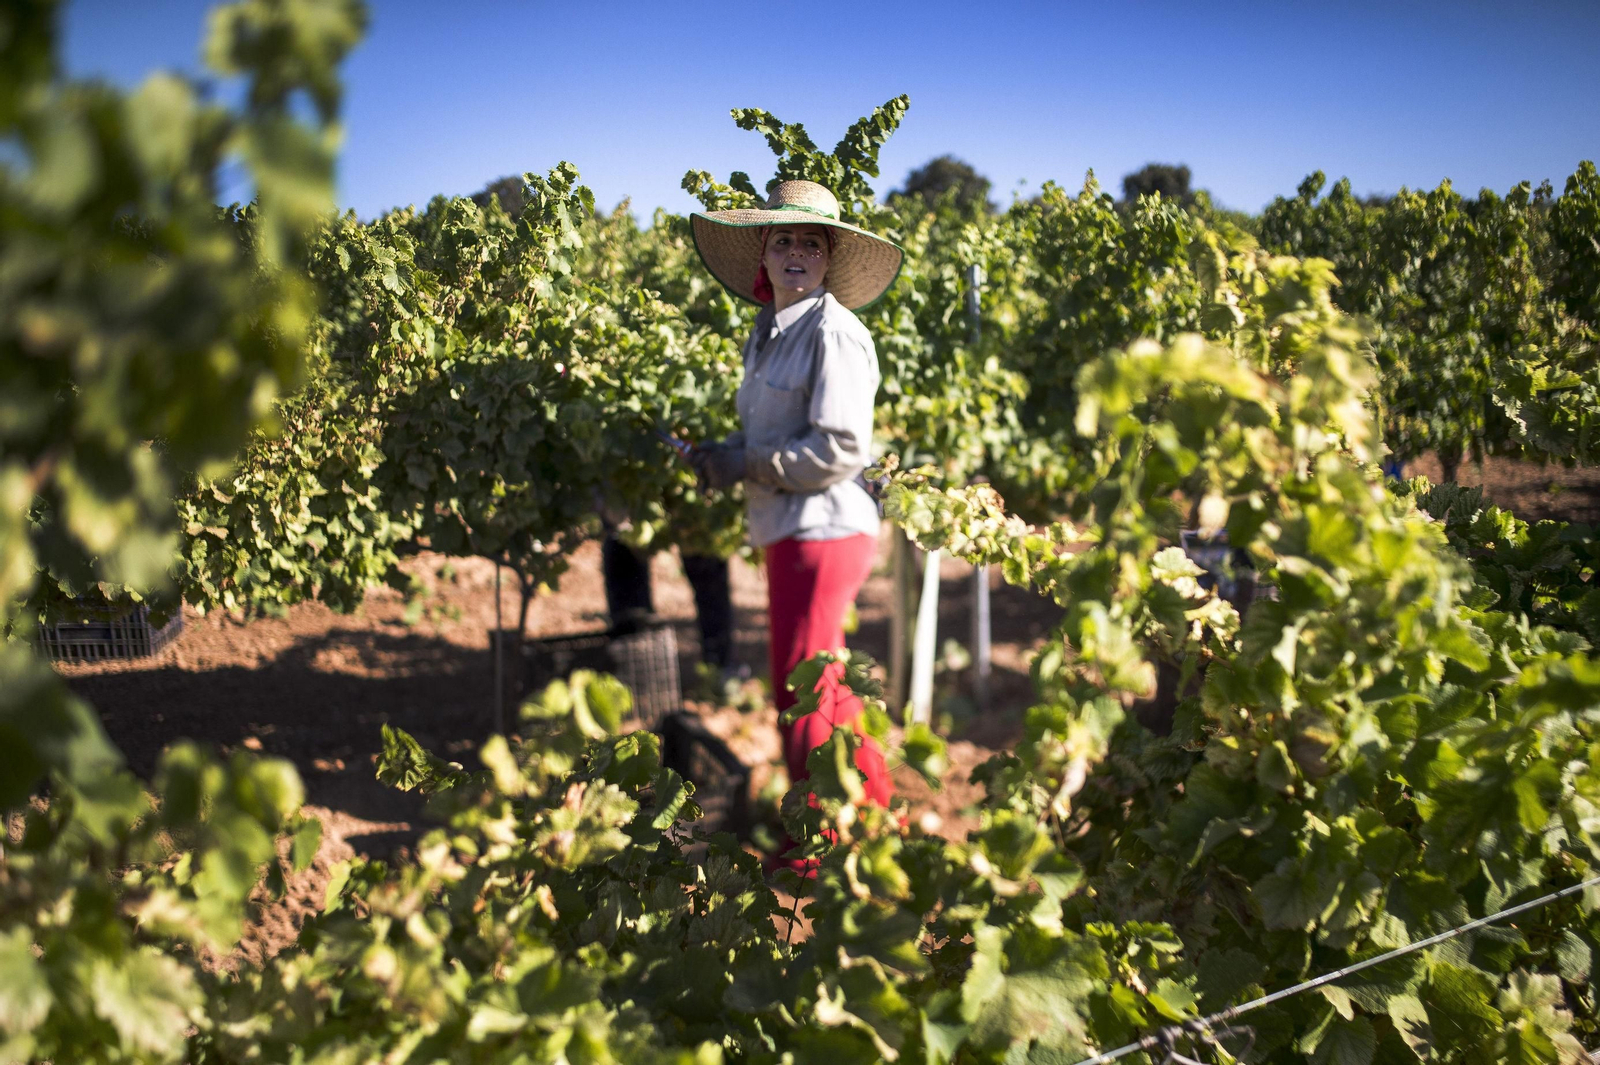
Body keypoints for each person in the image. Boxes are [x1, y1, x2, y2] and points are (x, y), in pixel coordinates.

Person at [686, 180, 904, 864]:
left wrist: (747, 461)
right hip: (791, 528)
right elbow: (781, 434)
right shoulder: (770, 330)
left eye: (812, 241)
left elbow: (841, 447)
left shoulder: (834, 330)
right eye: (783, 239)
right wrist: (724, 454)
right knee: (823, 685)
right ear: (764, 252)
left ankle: (815, 847)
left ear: (829, 256)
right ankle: (872, 815)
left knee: (803, 687)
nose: (796, 252)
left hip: (826, 531)